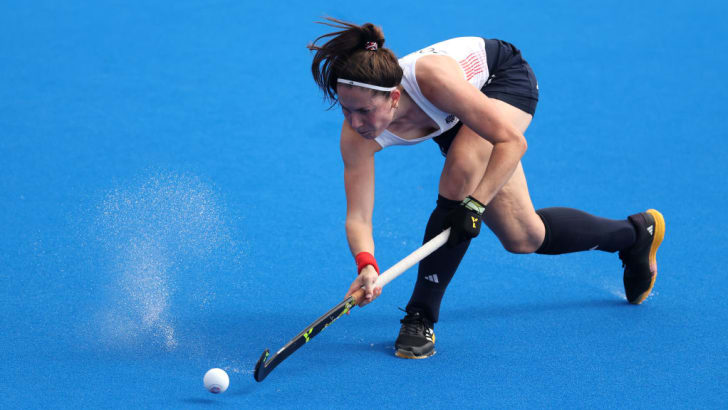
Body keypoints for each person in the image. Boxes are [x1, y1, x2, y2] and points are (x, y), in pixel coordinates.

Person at [308, 18, 665, 359]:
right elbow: (357, 216)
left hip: (500, 80)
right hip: (453, 112)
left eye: (365, 112)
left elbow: (512, 143)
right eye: (346, 110)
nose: (355, 122)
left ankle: (420, 316)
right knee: (524, 237)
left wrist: (475, 206)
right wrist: (366, 264)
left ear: (395, 98)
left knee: (460, 172)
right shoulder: (356, 135)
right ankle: (635, 235)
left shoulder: (431, 79)